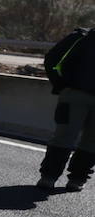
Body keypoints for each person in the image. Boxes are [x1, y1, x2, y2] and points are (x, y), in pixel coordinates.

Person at [37, 24, 95, 191]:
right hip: (74, 95)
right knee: (65, 137)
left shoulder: (80, 37)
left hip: (72, 94)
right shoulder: (80, 37)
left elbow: (51, 58)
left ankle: (76, 179)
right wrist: (62, 85)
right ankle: (49, 177)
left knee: (90, 142)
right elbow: (52, 58)